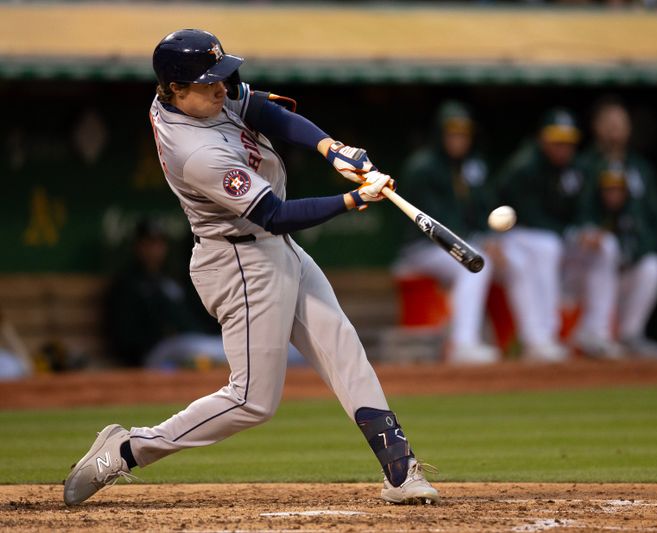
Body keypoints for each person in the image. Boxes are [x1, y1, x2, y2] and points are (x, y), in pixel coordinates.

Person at [64, 29, 438, 507]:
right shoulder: (195, 152)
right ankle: (128, 449)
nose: (223, 88)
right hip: (239, 261)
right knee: (252, 401)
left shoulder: (192, 97)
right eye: (209, 82)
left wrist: (331, 149)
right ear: (175, 90)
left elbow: (260, 107)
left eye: (222, 76)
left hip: (273, 247)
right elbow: (273, 214)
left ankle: (400, 472)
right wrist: (354, 198)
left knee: (343, 347)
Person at [392, 101, 499, 365]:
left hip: (458, 244)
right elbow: (436, 223)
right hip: (421, 248)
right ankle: (463, 344)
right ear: (440, 134)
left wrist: (490, 236)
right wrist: (481, 240)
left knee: (502, 260)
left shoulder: (473, 166)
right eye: (452, 133)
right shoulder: (423, 167)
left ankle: (537, 339)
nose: (458, 139)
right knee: (476, 266)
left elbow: (483, 208)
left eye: (463, 133)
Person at [572, 98, 657, 357]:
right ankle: (596, 334)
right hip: (586, 265)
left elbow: (654, 219)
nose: (615, 130)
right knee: (605, 246)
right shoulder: (585, 165)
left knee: (652, 265)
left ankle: (630, 335)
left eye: (620, 124)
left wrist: (634, 250)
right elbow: (576, 212)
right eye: (609, 123)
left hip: (626, 258)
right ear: (596, 127)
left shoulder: (639, 168)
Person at [495, 108, 584, 362]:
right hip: (512, 234)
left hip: (553, 238)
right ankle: (539, 338)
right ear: (543, 139)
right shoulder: (524, 167)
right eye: (556, 141)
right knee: (540, 253)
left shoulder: (574, 168)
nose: (562, 148)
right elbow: (531, 216)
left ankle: (586, 333)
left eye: (567, 142)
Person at [105, 218, 228, 369]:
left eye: (159, 243)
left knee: (222, 347)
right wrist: (161, 333)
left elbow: (190, 318)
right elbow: (125, 334)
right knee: (209, 350)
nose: (155, 249)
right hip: (153, 351)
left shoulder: (170, 278)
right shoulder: (127, 283)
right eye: (149, 243)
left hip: (184, 345)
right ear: (138, 246)